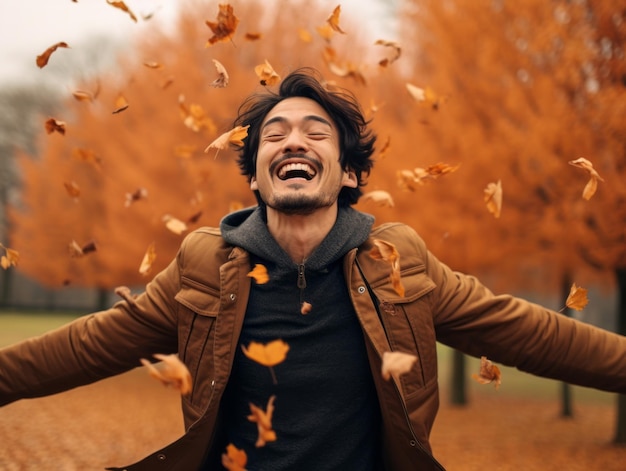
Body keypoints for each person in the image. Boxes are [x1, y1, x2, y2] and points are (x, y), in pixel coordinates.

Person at [1, 67, 625, 471]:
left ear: (349, 173)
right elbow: (86, 346)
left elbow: (527, 332)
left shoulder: (397, 261)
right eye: (273, 134)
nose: (292, 141)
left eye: (315, 132)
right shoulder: (204, 265)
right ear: (253, 175)